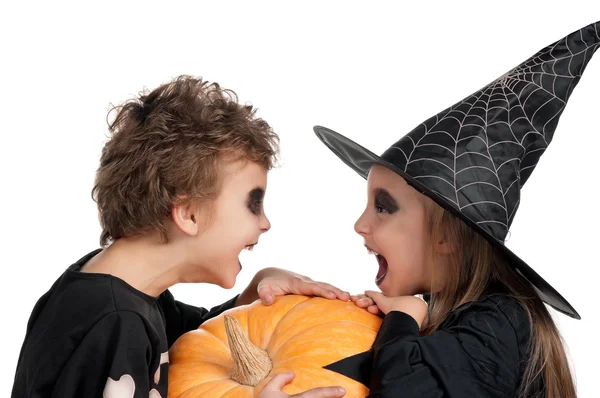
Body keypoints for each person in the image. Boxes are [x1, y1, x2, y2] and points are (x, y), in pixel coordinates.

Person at [11, 75, 349, 398]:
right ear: (189, 214)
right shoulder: (116, 324)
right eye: (253, 203)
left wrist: (257, 286)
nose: (265, 223)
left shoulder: (127, 293)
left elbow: (200, 341)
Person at [315, 21, 599, 397]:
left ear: (446, 234)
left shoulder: (496, 323)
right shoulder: (453, 316)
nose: (360, 224)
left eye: (383, 207)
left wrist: (402, 320)